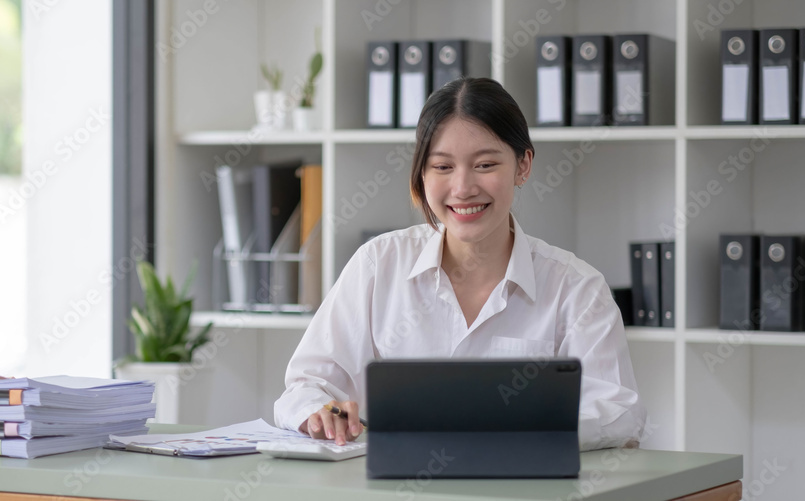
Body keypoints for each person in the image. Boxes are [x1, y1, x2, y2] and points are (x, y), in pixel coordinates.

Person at [273, 77, 646, 451]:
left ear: (523, 165)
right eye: (442, 167)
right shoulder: (379, 264)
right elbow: (305, 385)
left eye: (485, 164)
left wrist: (510, 427)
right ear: (422, 173)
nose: (463, 188)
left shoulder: (576, 288)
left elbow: (618, 412)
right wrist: (318, 412)